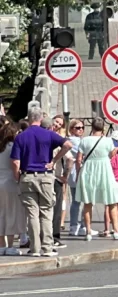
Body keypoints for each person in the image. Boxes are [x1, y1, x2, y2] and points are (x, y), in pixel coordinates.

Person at [9, 109, 73, 256]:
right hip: (45, 176)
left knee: (32, 214)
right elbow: (68, 145)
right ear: (40, 119)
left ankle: (35, 248)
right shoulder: (49, 134)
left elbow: (15, 161)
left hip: (27, 176)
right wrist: (54, 161)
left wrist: (17, 176)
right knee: (46, 213)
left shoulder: (21, 137)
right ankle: (47, 247)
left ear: (29, 119)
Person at [75, 117, 118, 241]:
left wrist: (79, 173)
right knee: (111, 201)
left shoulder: (85, 140)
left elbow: (79, 159)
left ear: (92, 127)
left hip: (88, 169)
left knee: (88, 202)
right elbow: (112, 155)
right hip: (104, 169)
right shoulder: (108, 141)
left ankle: (88, 231)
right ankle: (116, 230)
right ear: (103, 128)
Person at [0, 122, 22, 256]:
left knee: (0, 213)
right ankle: (11, 245)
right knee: (12, 213)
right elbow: (16, 164)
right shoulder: (13, 146)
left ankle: (1, 245)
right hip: (10, 181)